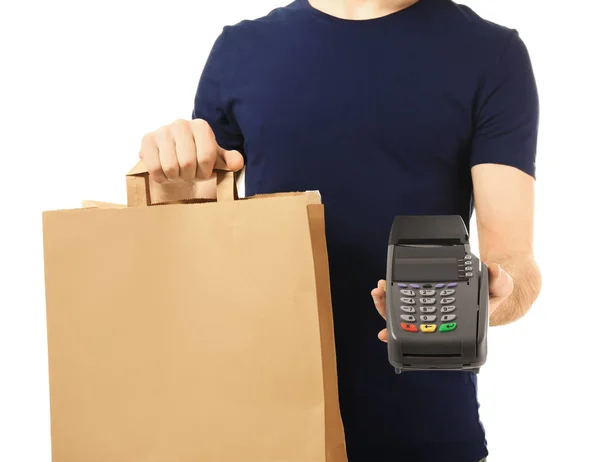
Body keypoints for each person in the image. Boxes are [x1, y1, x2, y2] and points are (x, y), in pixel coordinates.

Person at [138, 0, 542, 460]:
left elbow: (514, 261)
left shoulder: (491, 53)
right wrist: (169, 172)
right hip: (263, 426)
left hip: (425, 429)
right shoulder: (241, 49)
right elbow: (202, 246)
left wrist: (484, 301)